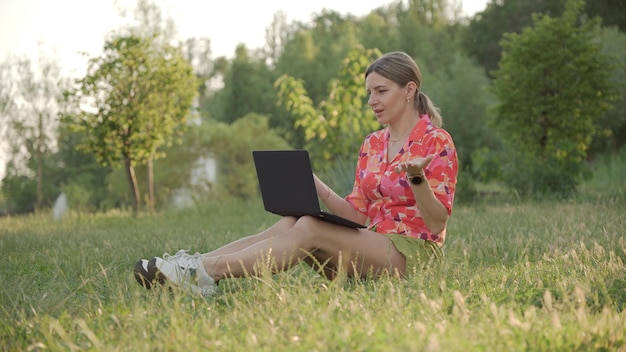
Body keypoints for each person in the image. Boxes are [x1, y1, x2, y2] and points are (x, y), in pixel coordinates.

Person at [134, 51, 459, 296]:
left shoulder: (435, 142)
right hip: (371, 247)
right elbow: (359, 216)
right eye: (369, 93)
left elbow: (437, 223)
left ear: (409, 89)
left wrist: (417, 179)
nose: (371, 100)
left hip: (413, 255)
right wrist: (317, 187)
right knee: (295, 220)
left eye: (381, 91)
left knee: (310, 227)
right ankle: (192, 264)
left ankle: (206, 273)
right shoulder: (373, 144)